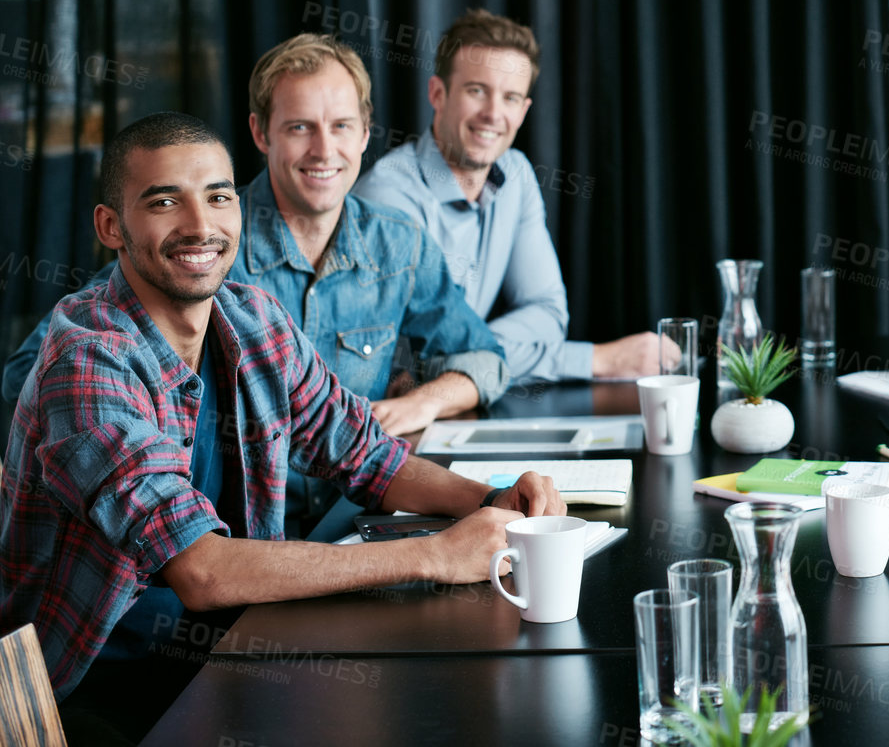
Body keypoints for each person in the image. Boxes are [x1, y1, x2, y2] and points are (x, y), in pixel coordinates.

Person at [0, 112, 563, 742]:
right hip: (94, 694)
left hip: (236, 647)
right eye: (165, 201)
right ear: (112, 226)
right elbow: (203, 571)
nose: (200, 225)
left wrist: (496, 500)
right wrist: (435, 554)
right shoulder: (86, 360)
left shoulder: (254, 319)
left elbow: (369, 456)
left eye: (218, 197)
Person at [3, 34, 508, 531]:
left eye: (341, 125)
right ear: (262, 133)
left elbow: (476, 365)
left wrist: (423, 409)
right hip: (208, 539)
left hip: (344, 517)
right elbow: (40, 373)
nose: (323, 148)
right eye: (299, 127)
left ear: (364, 133)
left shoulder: (391, 247)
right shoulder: (198, 255)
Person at [353, 8, 663, 383]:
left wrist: (474, 353)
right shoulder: (388, 198)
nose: (493, 114)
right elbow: (415, 362)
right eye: (476, 91)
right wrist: (595, 360)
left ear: (524, 110)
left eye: (511, 98)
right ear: (437, 93)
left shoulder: (515, 174)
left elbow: (547, 313)